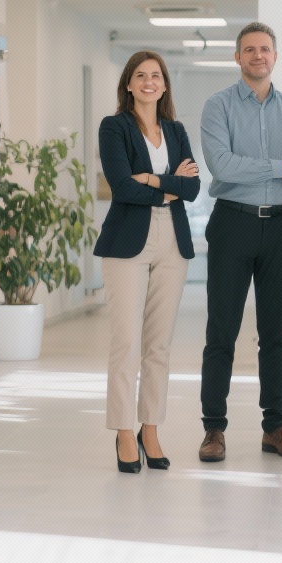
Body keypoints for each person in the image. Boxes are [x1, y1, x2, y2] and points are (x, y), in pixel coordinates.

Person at [197, 22, 282, 462]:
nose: (258, 55)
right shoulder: (218, 106)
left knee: (275, 335)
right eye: (249, 49)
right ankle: (213, 429)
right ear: (238, 57)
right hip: (233, 223)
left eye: (265, 49)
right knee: (221, 332)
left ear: (275, 56)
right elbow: (223, 166)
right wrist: (276, 167)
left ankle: (275, 427)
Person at [94, 50, 200, 474]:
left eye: (156, 75)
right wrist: (171, 185)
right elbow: (122, 188)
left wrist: (154, 180)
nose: (149, 81)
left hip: (173, 240)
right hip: (128, 242)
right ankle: (124, 432)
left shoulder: (175, 130)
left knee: (159, 345)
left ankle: (150, 429)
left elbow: (193, 189)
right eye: (141, 75)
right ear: (129, 84)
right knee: (126, 343)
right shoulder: (114, 127)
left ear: (164, 84)